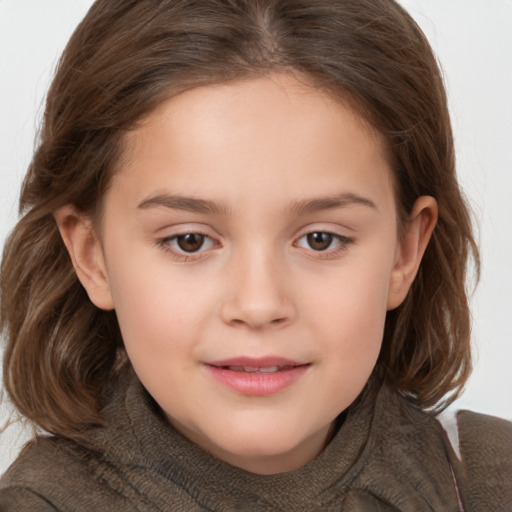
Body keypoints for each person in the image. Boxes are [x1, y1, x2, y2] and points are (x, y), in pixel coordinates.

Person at [0, 0, 511, 510]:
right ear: (93, 256)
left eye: (320, 239)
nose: (260, 303)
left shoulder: (489, 481)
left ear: (405, 251)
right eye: (190, 241)